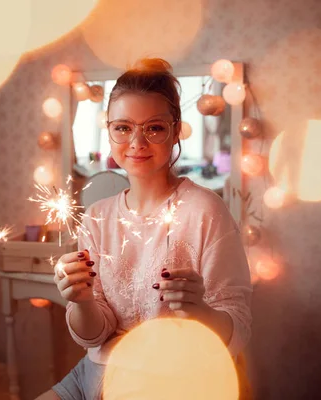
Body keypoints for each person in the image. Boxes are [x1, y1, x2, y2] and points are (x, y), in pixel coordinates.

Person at [36, 58, 252, 400]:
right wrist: (81, 302)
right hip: (95, 375)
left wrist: (201, 311)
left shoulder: (205, 210)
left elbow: (237, 329)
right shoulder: (96, 217)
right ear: (109, 130)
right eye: (122, 127)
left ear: (176, 129)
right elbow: (95, 336)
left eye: (153, 128)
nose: (136, 142)